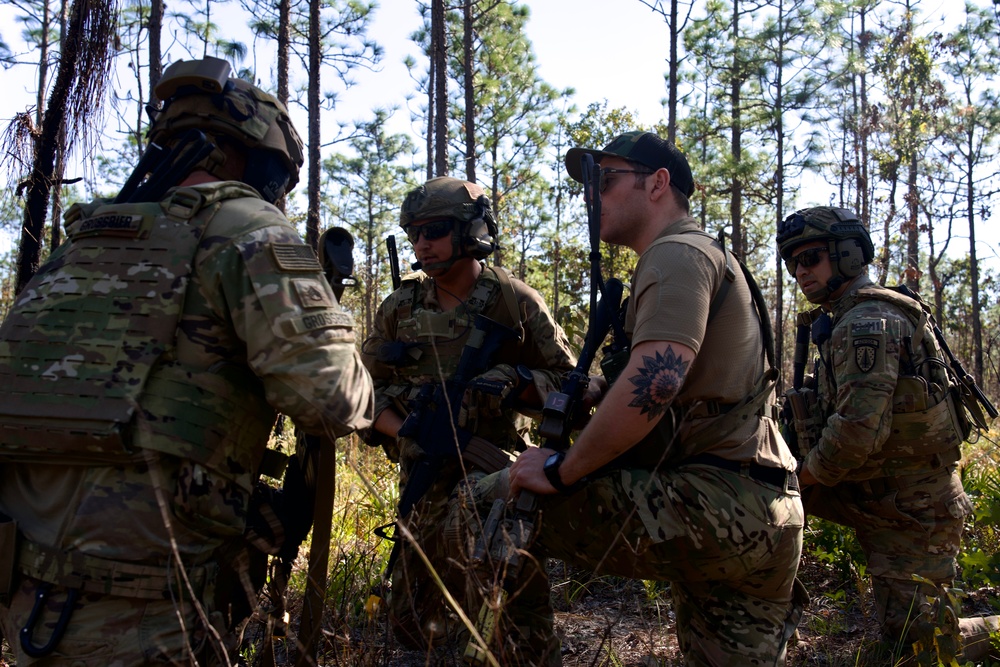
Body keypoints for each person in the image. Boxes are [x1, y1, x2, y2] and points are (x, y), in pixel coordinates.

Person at [0, 56, 374, 665]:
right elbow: (330, 400)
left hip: (30, 592)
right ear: (257, 159)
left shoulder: (82, 242)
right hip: (149, 606)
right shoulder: (250, 230)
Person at [460, 131, 807, 666]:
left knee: (487, 503)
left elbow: (657, 383)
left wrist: (560, 470)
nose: (594, 197)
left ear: (658, 184)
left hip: (715, 503)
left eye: (608, 180)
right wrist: (587, 390)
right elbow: (681, 386)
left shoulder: (674, 255)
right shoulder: (708, 254)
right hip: (768, 508)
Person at [361, 176, 576, 654]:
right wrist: (406, 431)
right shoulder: (400, 307)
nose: (422, 243)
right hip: (422, 480)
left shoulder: (514, 300)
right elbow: (361, 390)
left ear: (471, 230)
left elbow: (574, 385)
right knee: (414, 619)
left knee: (515, 621)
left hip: (499, 486)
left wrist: (514, 382)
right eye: (414, 233)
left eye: (434, 230)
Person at [777, 205, 999, 662]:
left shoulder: (866, 323)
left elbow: (857, 432)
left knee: (920, 650)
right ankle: (765, 622)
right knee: (759, 501)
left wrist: (805, 476)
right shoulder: (842, 318)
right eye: (793, 261)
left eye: (811, 257)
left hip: (912, 507)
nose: (800, 271)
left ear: (848, 256)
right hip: (869, 490)